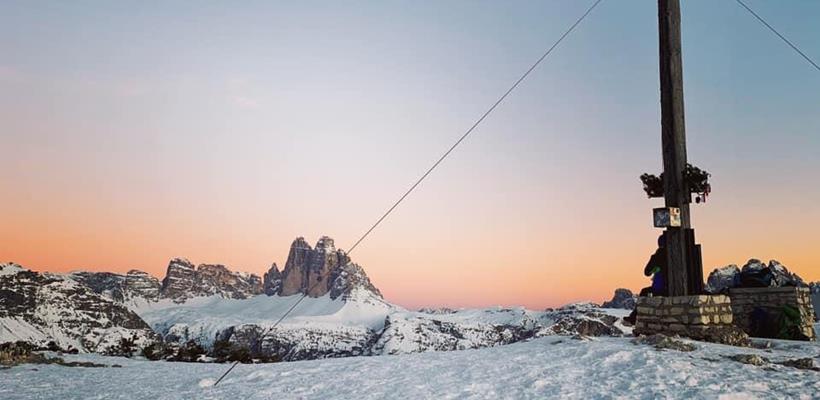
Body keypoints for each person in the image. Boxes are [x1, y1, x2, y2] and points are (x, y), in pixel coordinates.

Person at [624, 235, 668, 326]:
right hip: (679, 289)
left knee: (644, 292)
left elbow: (647, 272)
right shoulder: (679, 253)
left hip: (661, 289)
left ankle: (633, 317)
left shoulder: (657, 256)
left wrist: (655, 268)